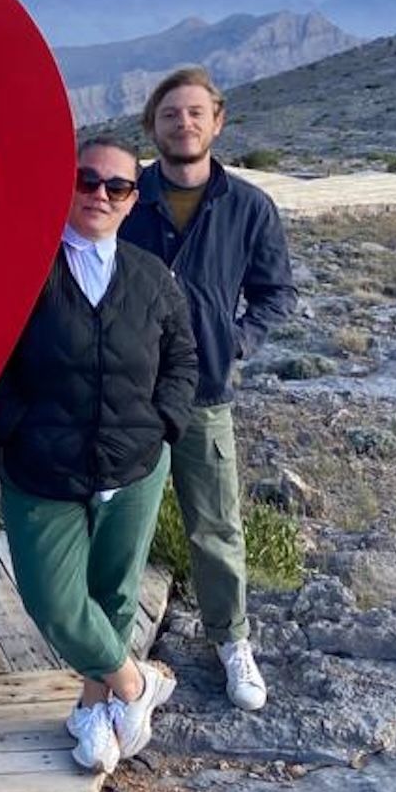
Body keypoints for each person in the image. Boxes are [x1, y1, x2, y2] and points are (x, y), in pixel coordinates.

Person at [0, 135, 196, 773]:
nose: (100, 194)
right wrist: (15, 426)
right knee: (53, 599)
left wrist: (164, 424)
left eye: (117, 186)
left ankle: (92, 711)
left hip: (134, 464)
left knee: (115, 594)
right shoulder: (24, 268)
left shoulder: (150, 276)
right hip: (42, 466)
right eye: (87, 181)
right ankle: (135, 684)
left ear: (133, 199)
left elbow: (182, 357)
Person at [119, 67, 295, 714]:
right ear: (152, 127)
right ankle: (112, 650)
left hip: (205, 394)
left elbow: (276, 293)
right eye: (170, 114)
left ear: (217, 122)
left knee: (216, 527)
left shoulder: (248, 206)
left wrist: (236, 341)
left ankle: (231, 640)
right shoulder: (123, 196)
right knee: (121, 525)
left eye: (196, 113)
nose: (183, 123)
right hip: (129, 396)